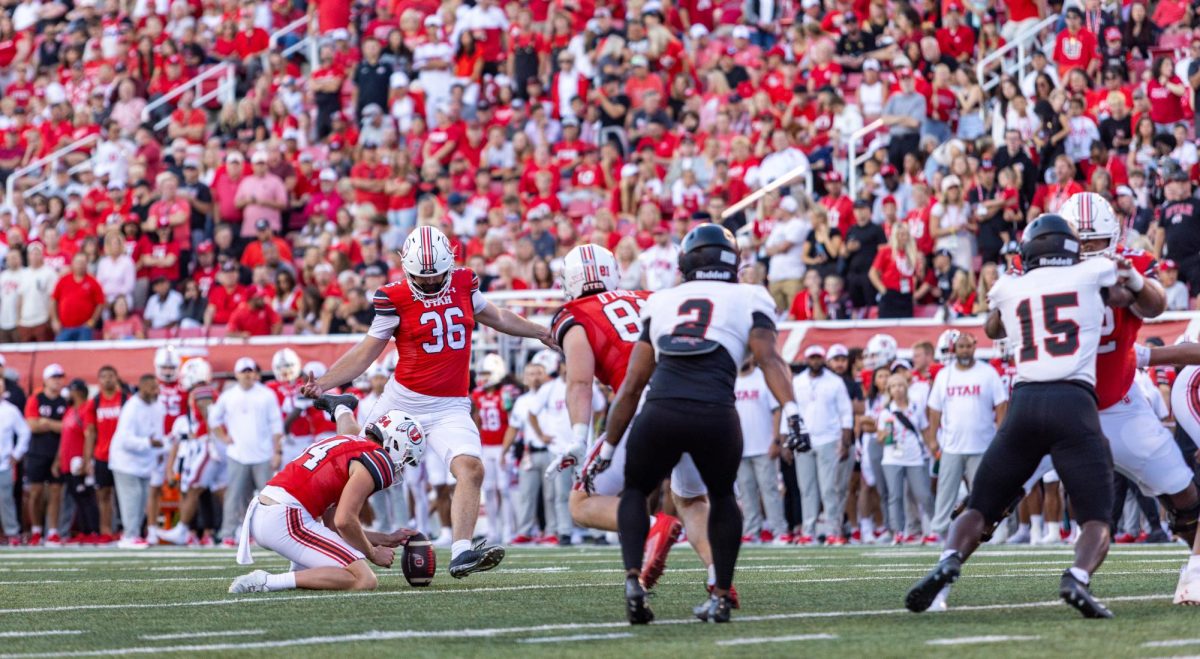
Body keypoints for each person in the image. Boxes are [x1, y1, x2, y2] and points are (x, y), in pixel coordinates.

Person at [906, 213, 1132, 619]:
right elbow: (1132, 299)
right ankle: (1077, 576)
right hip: (1073, 401)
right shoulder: (1094, 270)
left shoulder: (1009, 285)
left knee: (979, 505)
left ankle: (949, 559)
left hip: (1025, 401)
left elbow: (992, 328)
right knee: (1097, 515)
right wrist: (1130, 278)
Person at [583, 224, 809, 624]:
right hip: (715, 413)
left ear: (686, 261)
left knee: (636, 490)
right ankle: (721, 594)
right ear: (732, 261)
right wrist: (793, 413)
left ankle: (633, 579)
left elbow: (633, 384)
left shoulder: (663, 300)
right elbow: (770, 358)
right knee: (721, 497)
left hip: (660, 411)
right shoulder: (751, 294)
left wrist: (610, 447)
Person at [301, 225, 555, 578]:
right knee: (353, 468)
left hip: (450, 404)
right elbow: (367, 352)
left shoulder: (465, 282)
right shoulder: (394, 297)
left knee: (471, 469)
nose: (433, 285)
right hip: (402, 400)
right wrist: (326, 382)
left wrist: (541, 331)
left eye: (438, 277)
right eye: (425, 278)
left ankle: (462, 551)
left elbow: (496, 317)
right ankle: (318, 528)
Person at [554, 244, 720, 592]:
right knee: (691, 500)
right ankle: (719, 580)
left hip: (645, 400)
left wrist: (579, 437)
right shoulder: (653, 296)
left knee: (581, 503)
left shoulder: (573, 312)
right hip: (699, 393)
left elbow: (581, 381)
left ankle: (653, 525)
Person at [228, 398, 424, 594]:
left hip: (271, 512)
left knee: (334, 572)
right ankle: (267, 581)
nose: (402, 465)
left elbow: (334, 527)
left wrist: (385, 539)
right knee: (363, 579)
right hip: (287, 518)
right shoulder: (376, 458)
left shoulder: (349, 443)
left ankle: (300, 571)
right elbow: (344, 521)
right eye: (405, 457)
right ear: (394, 441)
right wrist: (372, 553)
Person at [926, 330, 1008, 540]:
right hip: (952, 444)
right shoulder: (944, 375)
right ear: (954, 349)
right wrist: (932, 437)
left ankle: (991, 530)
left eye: (968, 346)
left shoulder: (987, 372)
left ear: (974, 347)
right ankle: (940, 530)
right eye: (961, 346)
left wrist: (1001, 433)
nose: (964, 350)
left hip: (982, 444)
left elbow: (1001, 405)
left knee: (986, 492)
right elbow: (934, 409)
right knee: (946, 491)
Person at [212, 357, 284, 546]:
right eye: (244, 372)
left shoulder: (266, 394)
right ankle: (228, 533)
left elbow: (277, 424)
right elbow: (213, 419)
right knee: (234, 496)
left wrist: (277, 451)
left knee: (267, 497)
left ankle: (270, 534)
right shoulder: (228, 396)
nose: (247, 375)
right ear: (237, 374)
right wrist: (223, 437)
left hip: (263, 454)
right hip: (238, 454)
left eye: (250, 371)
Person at [790, 345, 854, 545]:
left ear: (823, 359)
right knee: (807, 488)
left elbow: (846, 412)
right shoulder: (797, 382)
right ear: (807, 359)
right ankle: (808, 530)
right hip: (804, 439)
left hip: (828, 438)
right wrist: (788, 438)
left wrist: (845, 441)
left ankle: (833, 530)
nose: (815, 360)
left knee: (829, 488)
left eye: (818, 357)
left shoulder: (834, 382)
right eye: (812, 357)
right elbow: (791, 410)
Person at [159, 359, 221, 546]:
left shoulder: (201, 391)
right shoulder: (207, 390)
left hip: (208, 443)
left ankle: (183, 529)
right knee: (222, 489)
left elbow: (208, 414)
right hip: (211, 443)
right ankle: (237, 528)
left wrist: (211, 439)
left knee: (194, 487)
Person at [108, 374, 166, 549]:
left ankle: (135, 533)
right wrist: (148, 443)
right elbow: (125, 439)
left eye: (157, 387)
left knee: (142, 500)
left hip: (145, 461)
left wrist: (159, 450)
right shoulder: (131, 407)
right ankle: (129, 535)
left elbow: (158, 432)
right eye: (151, 388)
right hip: (125, 461)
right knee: (131, 498)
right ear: (142, 388)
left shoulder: (158, 406)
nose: (156, 391)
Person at [735, 358, 787, 545]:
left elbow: (777, 410)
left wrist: (776, 440)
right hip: (740, 448)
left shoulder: (763, 377)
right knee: (746, 492)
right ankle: (752, 531)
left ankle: (779, 530)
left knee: (770, 490)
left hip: (764, 446)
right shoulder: (731, 378)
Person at [470, 353, 518, 546]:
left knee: (504, 489)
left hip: (501, 446)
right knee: (489, 489)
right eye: (482, 372)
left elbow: (512, 422)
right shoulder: (478, 394)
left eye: (487, 372)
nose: (483, 376)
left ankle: (509, 530)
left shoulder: (506, 392)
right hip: (486, 446)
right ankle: (492, 530)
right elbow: (477, 419)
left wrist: (506, 450)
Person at [24, 363, 69, 546]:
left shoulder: (65, 402)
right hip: (37, 453)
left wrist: (47, 423)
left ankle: (52, 531)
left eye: (60, 377)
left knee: (55, 493)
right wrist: (54, 425)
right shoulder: (36, 399)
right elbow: (32, 425)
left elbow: (67, 428)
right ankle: (36, 530)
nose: (58, 381)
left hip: (58, 453)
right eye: (54, 377)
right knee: (35, 493)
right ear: (45, 380)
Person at [0, 377, 30, 545]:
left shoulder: (11, 410)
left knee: (6, 499)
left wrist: (17, 454)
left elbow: (25, 432)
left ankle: (12, 532)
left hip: (4, 463)